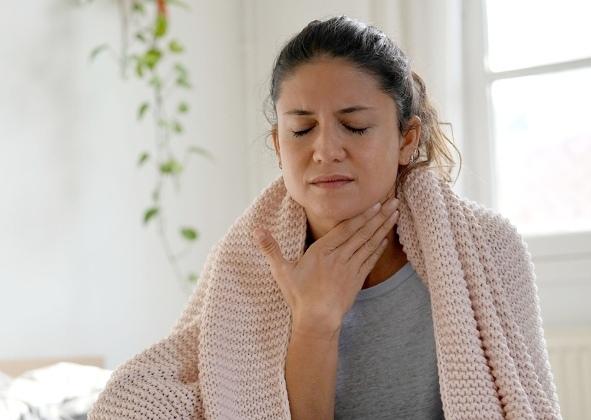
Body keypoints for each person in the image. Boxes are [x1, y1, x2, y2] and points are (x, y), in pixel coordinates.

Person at [89, 15, 562, 420]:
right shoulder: (246, 266)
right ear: (278, 145)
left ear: (407, 138)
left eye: (355, 126)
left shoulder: (488, 249)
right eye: (301, 129)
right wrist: (315, 322)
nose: (325, 150)